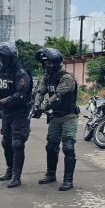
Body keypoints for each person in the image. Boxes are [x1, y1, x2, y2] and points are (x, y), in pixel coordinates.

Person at [33, 48, 79, 191]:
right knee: (51, 146)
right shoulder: (47, 77)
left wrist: (44, 107)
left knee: (68, 147)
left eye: (50, 64)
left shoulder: (66, 78)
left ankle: (68, 180)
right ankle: (51, 174)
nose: (47, 66)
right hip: (55, 117)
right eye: (45, 64)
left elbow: (57, 95)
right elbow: (40, 92)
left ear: (57, 63)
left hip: (68, 117)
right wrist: (36, 106)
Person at [0, 44, 33, 188]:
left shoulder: (21, 74)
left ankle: (16, 176)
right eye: (0, 58)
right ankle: (9, 169)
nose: (2, 61)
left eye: (4, 58)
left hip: (20, 112)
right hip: (6, 113)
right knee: (6, 143)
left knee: (17, 143)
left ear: (12, 58)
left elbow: (21, 94)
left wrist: (3, 102)